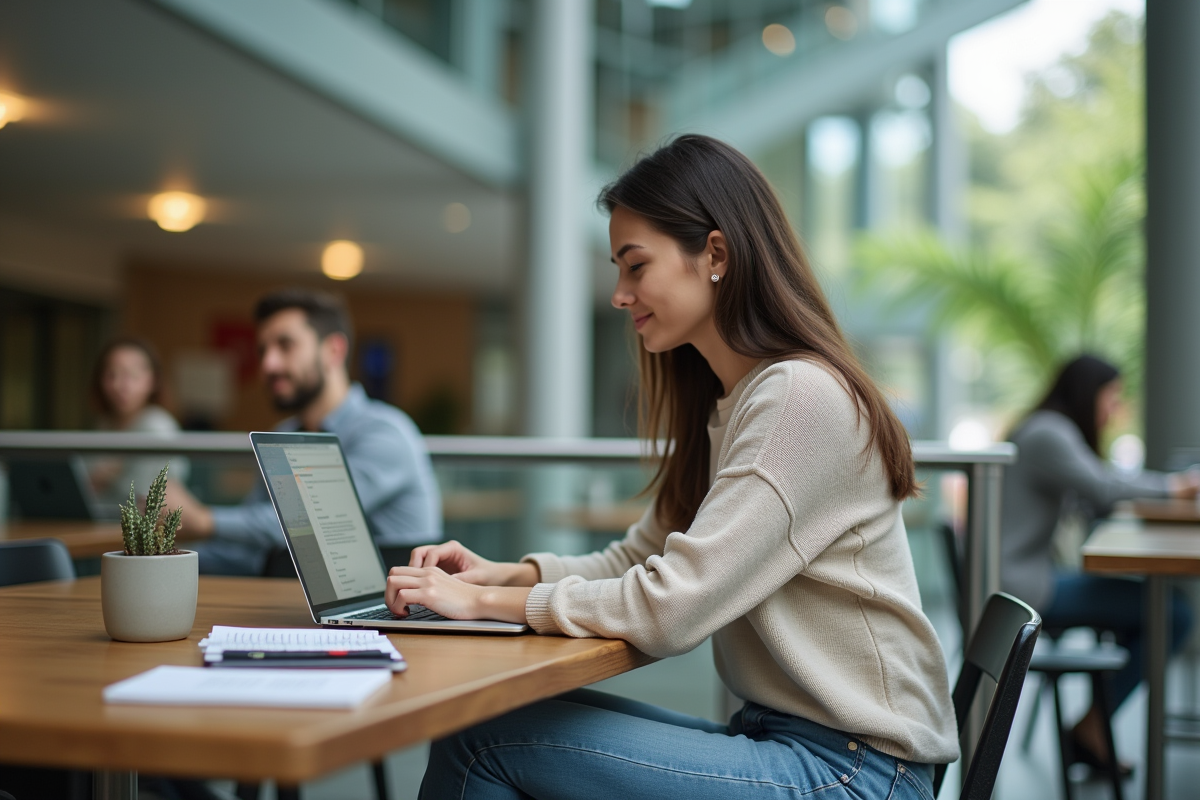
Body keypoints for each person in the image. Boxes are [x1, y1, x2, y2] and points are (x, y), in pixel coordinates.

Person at [384, 135, 958, 799]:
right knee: (483, 723)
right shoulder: (734, 401)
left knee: (484, 741)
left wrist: (483, 603)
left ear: (715, 254)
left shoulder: (798, 396)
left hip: (857, 772)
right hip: (793, 743)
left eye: (635, 266)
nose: (619, 295)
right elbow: (644, 557)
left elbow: (672, 608)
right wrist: (508, 574)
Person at [1001, 354, 1197, 770]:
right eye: (1112, 397)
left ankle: (1093, 725)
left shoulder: (1043, 430)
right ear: (1087, 393)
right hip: (1024, 593)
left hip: (1024, 581)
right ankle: (1093, 728)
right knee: (1173, 612)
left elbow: (1093, 496)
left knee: (1159, 608)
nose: (1115, 409)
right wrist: (1176, 486)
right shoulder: (1049, 433)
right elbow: (1104, 487)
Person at [167, 288, 442, 576]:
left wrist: (202, 520)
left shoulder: (385, 433)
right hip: (294, 598)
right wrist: (164, 559)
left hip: (386, 609)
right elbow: (252, 543)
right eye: (263, 350)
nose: (268, 364)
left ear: (334, 350)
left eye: (285, 345)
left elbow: (307, 524)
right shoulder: (282, 435)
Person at [87, 337, 189, 505]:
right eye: (112, 374)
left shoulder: (157, 427)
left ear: (153, 380)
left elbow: (149, 497)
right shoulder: (104, 424)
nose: (121, 385)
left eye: (132, 375)